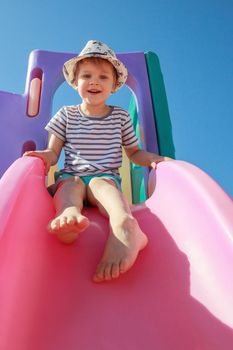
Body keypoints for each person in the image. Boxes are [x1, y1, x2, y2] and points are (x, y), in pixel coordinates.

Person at [24, 40, 172, 282]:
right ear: (75, 82)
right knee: (71, 186)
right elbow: (53, 152)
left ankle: (124, 224)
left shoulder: (120, 117)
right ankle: (69, 215)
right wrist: (44, 157)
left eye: (103, 77)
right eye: (87, 75)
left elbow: (134, 153)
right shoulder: (66, 114)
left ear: (114, 86)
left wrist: (155, 159)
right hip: (71, 176)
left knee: (103, 186)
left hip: (105, 177)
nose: (94, 81)